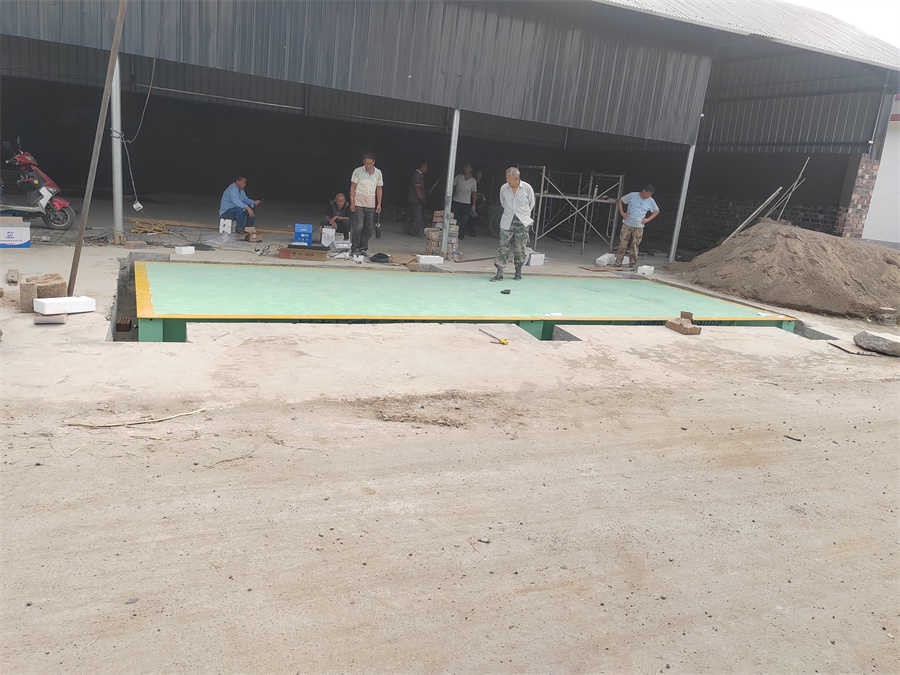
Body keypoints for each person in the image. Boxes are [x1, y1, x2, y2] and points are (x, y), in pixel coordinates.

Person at [491, 167, 535, 282]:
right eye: (506, 178)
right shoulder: (504, 188)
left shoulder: (526, 188)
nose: (507, 181)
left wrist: (522, 214)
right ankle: (499, 272)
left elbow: (531, 203)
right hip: (507, 219)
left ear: (516, 178)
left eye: (509, 179)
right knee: (503, 246)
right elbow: (503, 202)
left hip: (522, 221)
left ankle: (518, 271)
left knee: (520, 246)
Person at [349, 150, 383, 259]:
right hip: (359, 202)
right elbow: (353, 187)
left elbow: (379, 189)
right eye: (366, 163)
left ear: (374, 162)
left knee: (368, 228)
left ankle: (363, 249)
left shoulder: (378, 173)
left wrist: (379, 204)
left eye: (370, 163)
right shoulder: (357, 171)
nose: (368, 166)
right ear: (363, 162)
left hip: (370, 203)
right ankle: (355, 249)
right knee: (358, 226)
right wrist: (352, 202)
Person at [615, 184, 659, 268]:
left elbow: (656, 211)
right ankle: (618, 262)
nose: (648, 196)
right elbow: (620, 200)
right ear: (644, 191)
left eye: (650, 195)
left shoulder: (650, 200)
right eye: (648, 194)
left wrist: (648, 219)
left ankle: (632, 263)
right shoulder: (632, 195)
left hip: (639, 226)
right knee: (622, 244)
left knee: (635, 245)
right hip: (627, 224)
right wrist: (622, 212)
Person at [451, 164, 478, 239]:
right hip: (456, 201)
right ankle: (453, 233)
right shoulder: (458, 177)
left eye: (467, 167)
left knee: (464, 220)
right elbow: (453, 188)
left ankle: (461, 234)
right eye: (465, 167)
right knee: (454, 218)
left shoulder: (473, 181)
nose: (465, 169)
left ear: (471, 169)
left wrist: (474, 205)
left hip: (466, 203)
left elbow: (474, 193)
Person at [404, 161, 427, 237]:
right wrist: (421, 198)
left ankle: (408, 230)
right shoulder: (417, 175)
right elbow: (417, 188)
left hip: (414, 199)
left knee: (413, 215)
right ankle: (414, 231)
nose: (426, 168)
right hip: (415, 199)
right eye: (425, 167)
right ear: (422, 167)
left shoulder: (419, 175)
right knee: (417, 216)